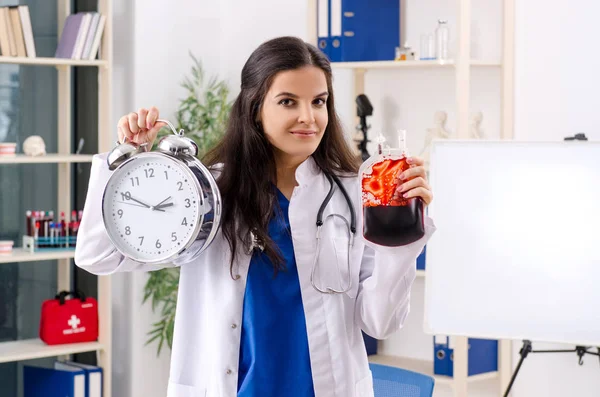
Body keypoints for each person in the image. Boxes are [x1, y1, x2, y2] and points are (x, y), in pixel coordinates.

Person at [75, 36, 436, 397]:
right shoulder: (206, 191)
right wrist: (125, 161)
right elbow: (97, 254)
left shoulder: (355, 193)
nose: (308, 117)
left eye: (319, 102)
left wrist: (401, 240)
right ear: (255, 108)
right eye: (287, 102)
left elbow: (380, 322)